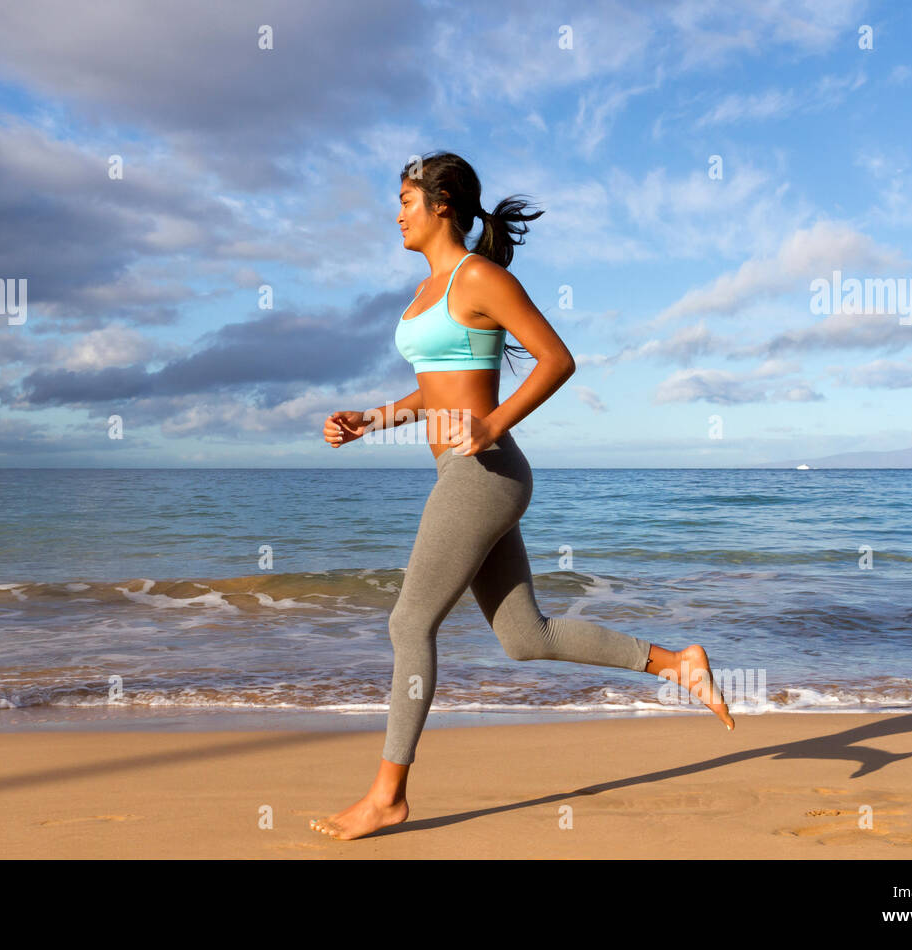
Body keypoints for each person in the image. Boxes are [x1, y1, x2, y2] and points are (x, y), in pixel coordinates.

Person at [311, 151, 733, 841]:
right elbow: (438, 385)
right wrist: (372, 419)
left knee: (407, 625)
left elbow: (558, 358)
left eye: (406, 201)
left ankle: (388, 795)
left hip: (484, 472)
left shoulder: (479, 276)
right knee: (523, 638)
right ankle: (675, 662)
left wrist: (493, 424)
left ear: (442, 203)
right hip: (465, 473)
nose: (397, 214)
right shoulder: (427, 294)